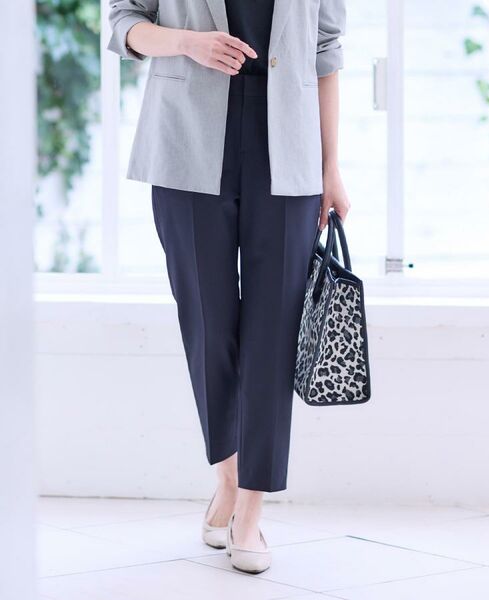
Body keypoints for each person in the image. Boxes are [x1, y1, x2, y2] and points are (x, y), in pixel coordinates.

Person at [107, 0, 349, 574]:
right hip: (185, 148)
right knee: (209, 326)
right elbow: (124, 23)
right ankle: (229, 478)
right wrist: (188, 42)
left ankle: (250, 513)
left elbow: (326, 51)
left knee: (274, 337)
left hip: (288, 156)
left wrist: (331, 166)